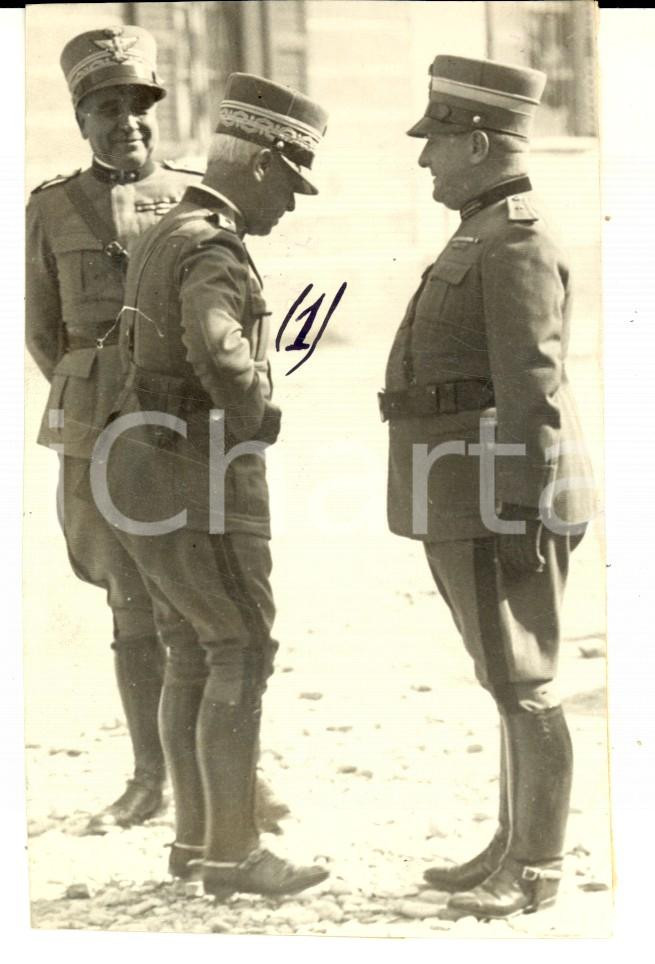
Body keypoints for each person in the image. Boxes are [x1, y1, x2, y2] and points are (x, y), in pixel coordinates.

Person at [25, 28, 286, 837]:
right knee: (128, 603)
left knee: (205, 599)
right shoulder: (48, 207)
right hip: (91, 432)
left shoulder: (192, 199)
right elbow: (42, 332)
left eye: (139, 106)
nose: (127, 123)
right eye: (107, 109)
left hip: (177, 428)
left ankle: (231, 780)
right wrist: (96, 398)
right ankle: (150, 779)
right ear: (82, 118)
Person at [93, 73, 330, 897]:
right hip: (191, 468)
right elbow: (219, 348)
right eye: (291, 183)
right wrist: (256, 411)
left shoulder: (170, 228)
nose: (292, 205)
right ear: (260, 164)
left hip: (134, 463)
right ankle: (235, 854)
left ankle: (196, 844)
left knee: (191, 646)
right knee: (241, 645)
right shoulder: (213, 246)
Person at [380, 55, 597, 918]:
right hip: (464, 491)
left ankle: (536, 867)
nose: (424, 159)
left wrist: (520, 506)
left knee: (525, 678)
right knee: (501, 675)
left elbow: (530, 389)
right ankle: (511, 842)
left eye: (435, 142)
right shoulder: (483, 229)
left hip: (494, 496)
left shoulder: (515, 239)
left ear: (475, 141)